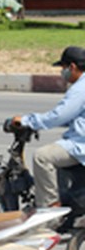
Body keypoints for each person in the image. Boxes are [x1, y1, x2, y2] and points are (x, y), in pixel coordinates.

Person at [13, 46, 85, 210]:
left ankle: (49, 209)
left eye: (64, 68)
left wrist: (27, 121)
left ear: (72, 67)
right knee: (57, 151)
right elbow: (73, 117)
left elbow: (58, 116)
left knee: (42, 157)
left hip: (81, 145)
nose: (63, 72)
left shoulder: (80, 89)